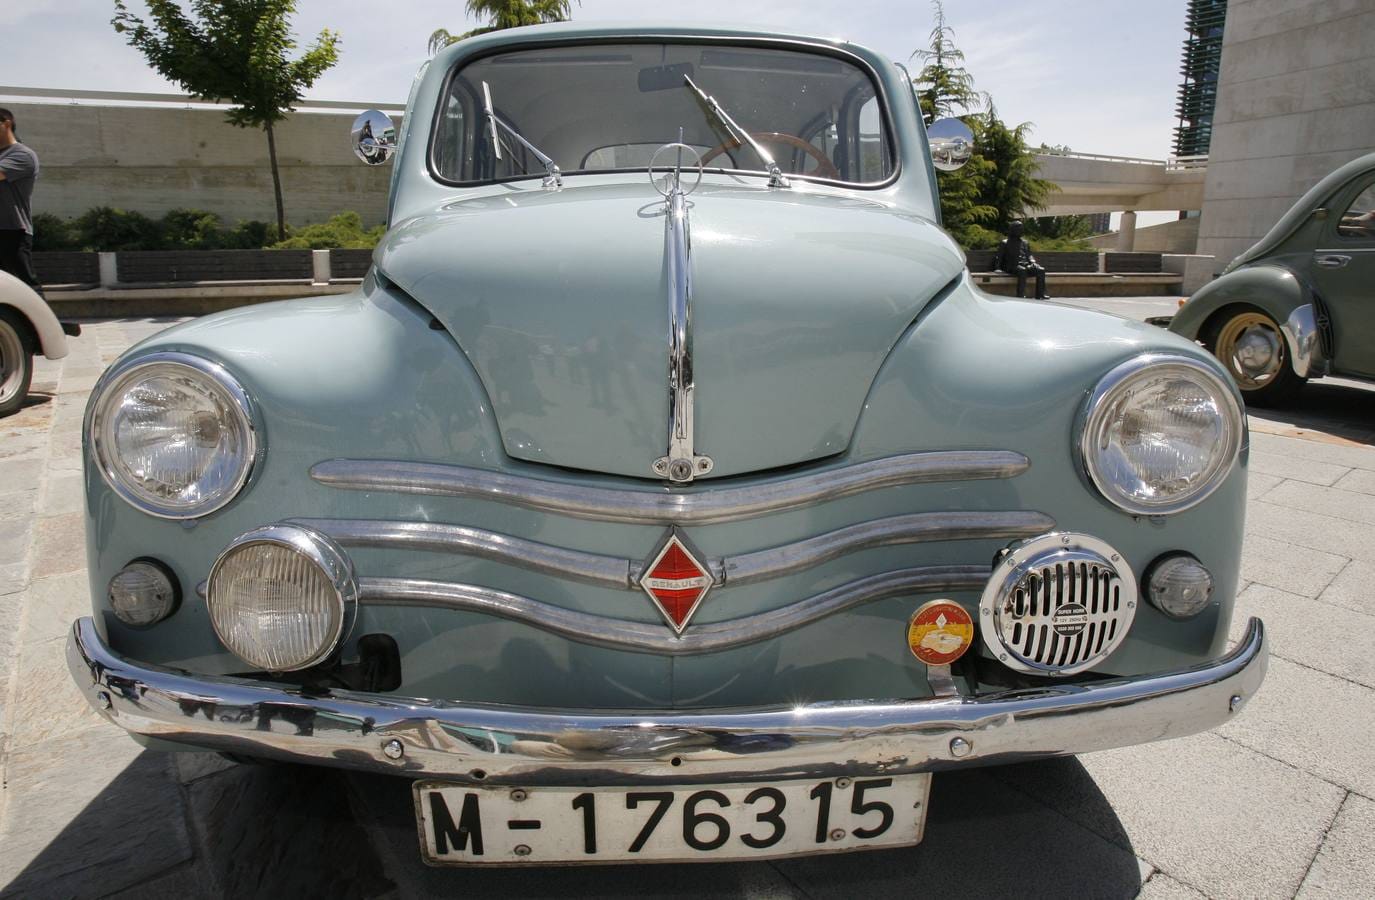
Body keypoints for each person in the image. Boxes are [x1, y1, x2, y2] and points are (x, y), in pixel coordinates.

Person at [0, 108, 44, 298]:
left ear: (6, 124)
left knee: (25, 288)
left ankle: (45, 326)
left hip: (12, 231)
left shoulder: (23, 154)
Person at [995, 220, 1048, 300]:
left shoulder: (1025, 242)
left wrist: (1033, 262)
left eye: (1021, 229)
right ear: (1013, 230)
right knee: (1022, 271)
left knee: (1041, 270)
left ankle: (1040, 294)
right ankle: (1021, 295)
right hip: (1011, 266)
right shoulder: (1005, 242)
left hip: (1026, 265)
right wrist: (997, 268)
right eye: (1019, 229)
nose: (1021, 231)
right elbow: (999, 256)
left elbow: (1029, 255)